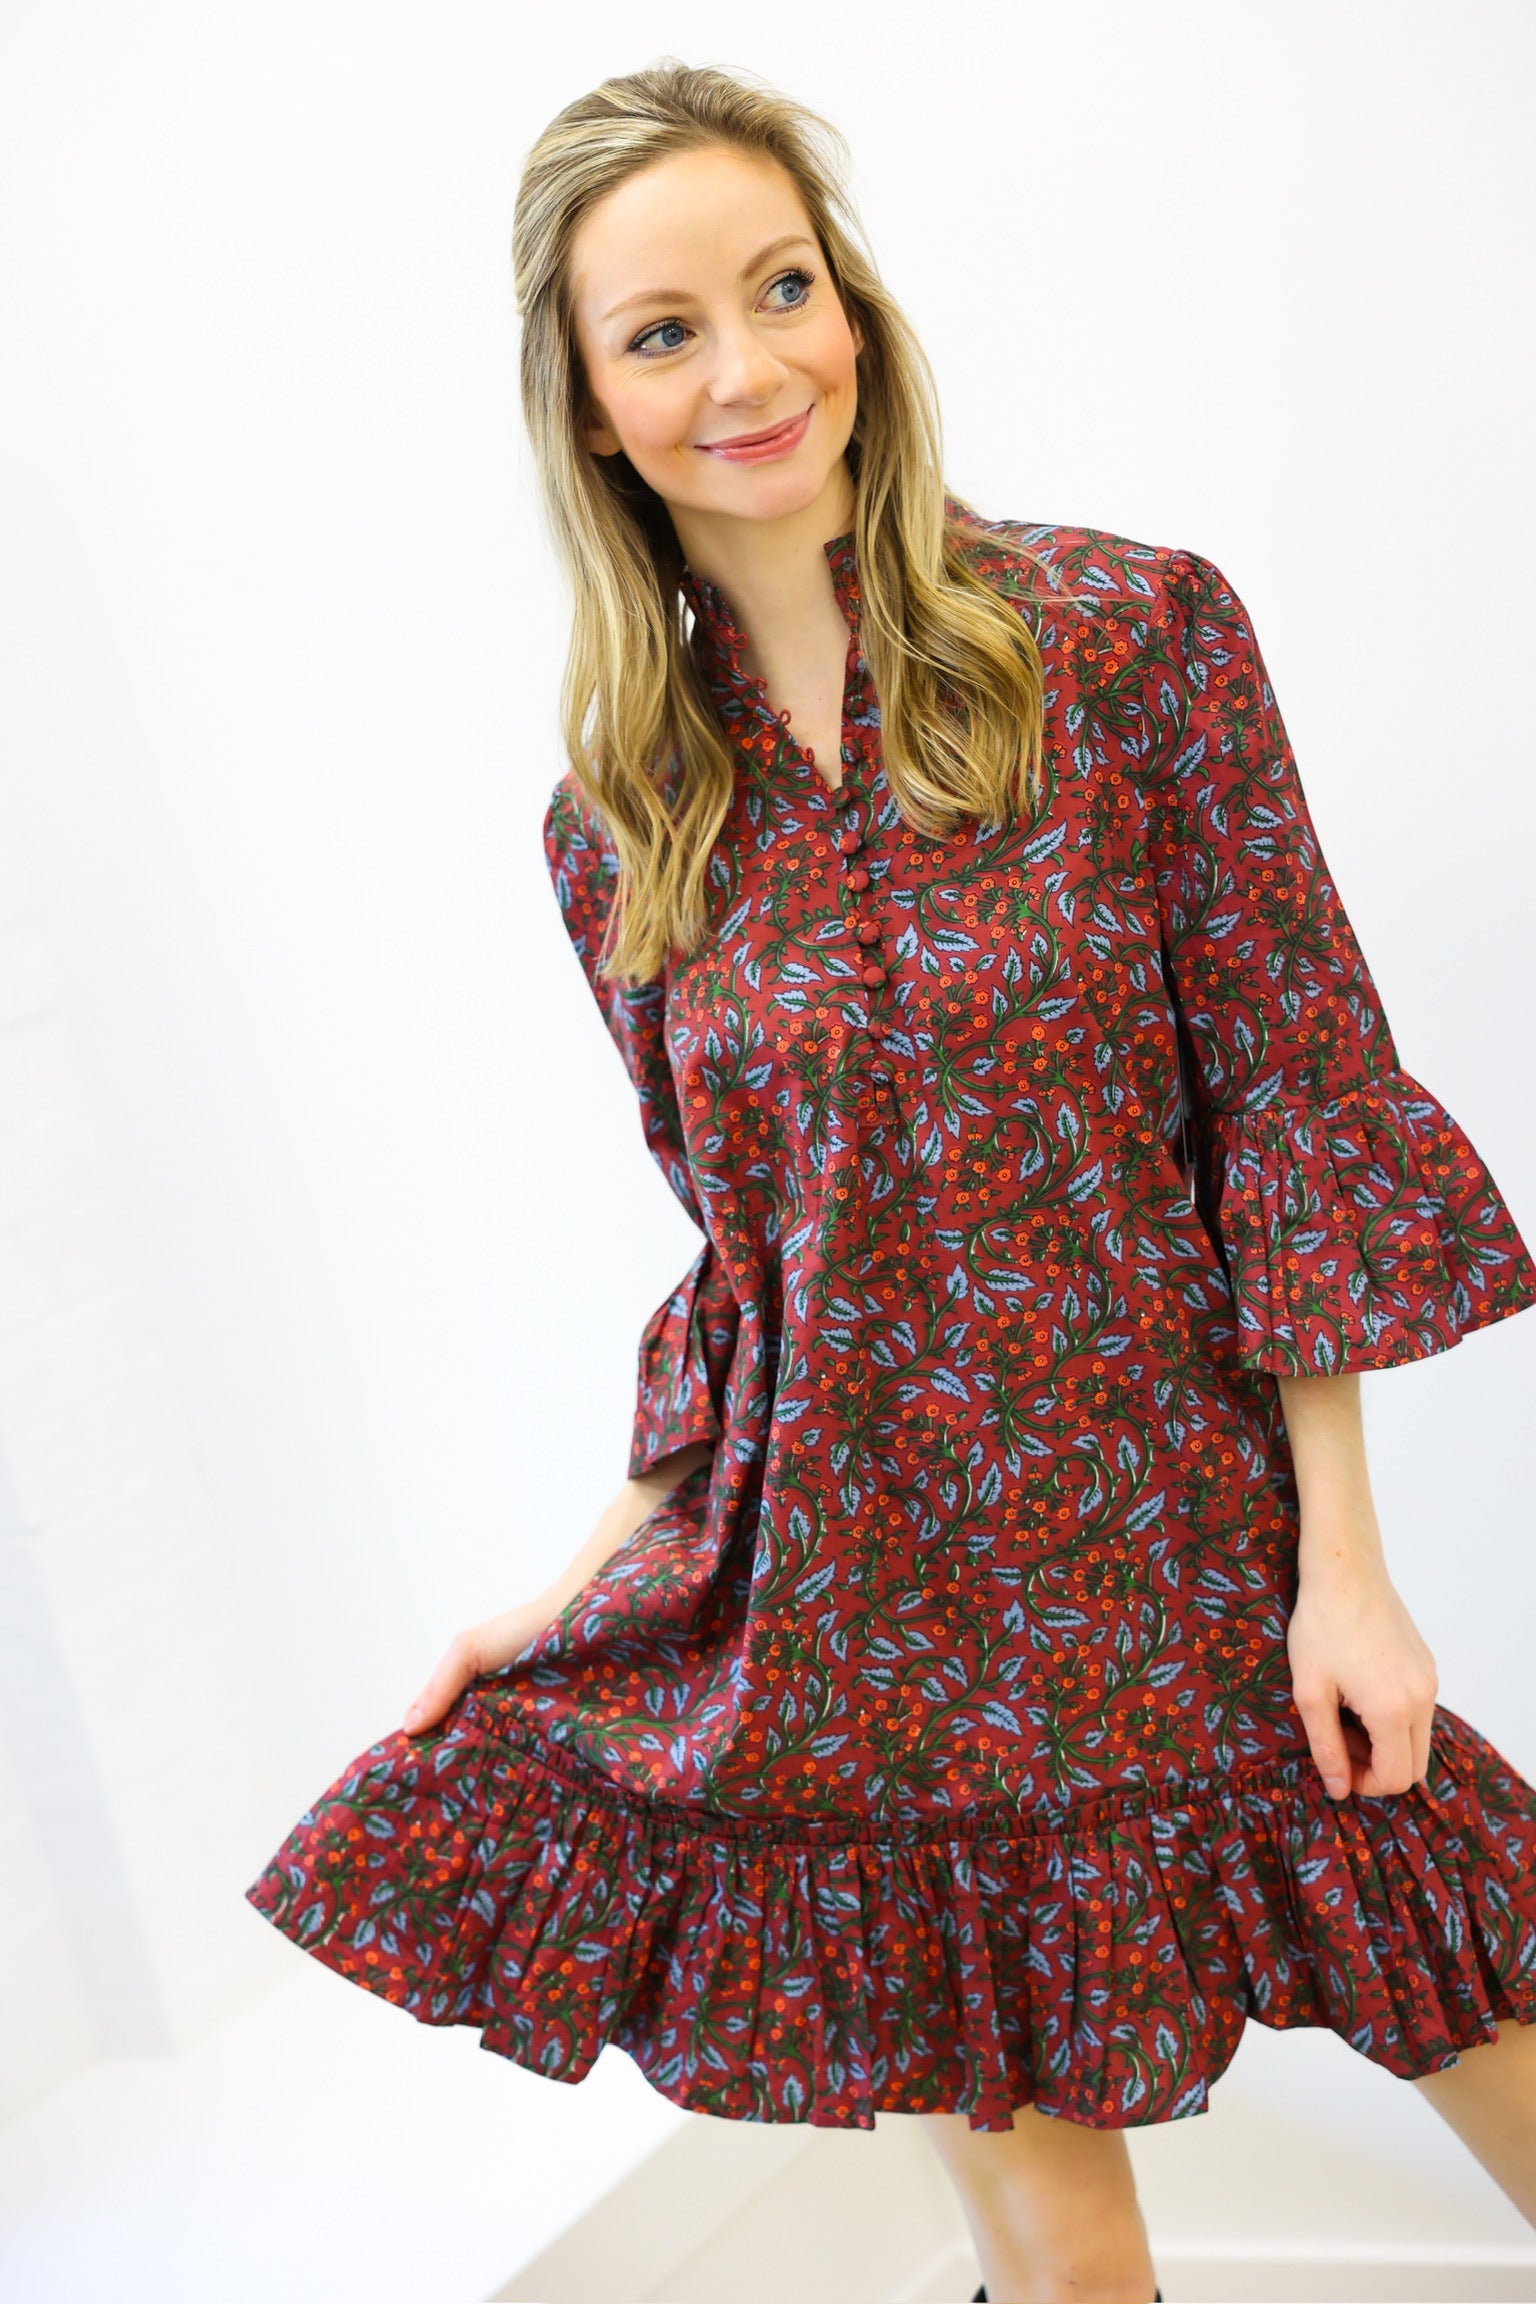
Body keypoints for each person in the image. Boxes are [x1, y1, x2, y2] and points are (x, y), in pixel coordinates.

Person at [245, 60, 1536, 2304]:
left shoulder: (1129, 643)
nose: (747, 367)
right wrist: (591, 1580)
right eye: (663, 330)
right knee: (1063, 2272)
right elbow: (759, 1280)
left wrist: (1352, 1573)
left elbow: (1297, 1100)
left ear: (856, 304)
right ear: (585, 398)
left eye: (783, 287)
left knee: (1498, 2022)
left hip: (1191, 1553)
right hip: (868, 1623)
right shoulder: (623, 822)